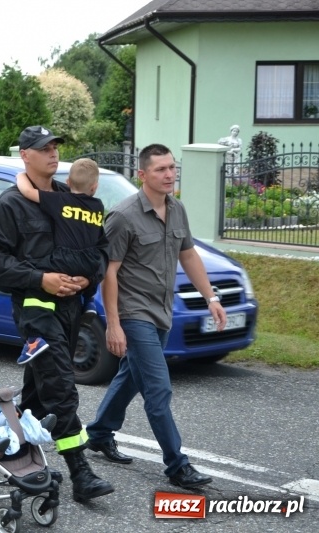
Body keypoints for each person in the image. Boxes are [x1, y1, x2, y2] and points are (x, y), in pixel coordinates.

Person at [0, 125, 113, 503]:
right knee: (60, 385)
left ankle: (9, 453)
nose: (53, 153)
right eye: (44, 148)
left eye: (55, 146)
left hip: (73, 309)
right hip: (37, 311)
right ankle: (81, 473)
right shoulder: (10, 204)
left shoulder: (72, 199)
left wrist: (88, 276)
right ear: (25, 154)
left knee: (39, 397)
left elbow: (100, 248)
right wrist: (43, 279)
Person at [86, 143, 227, 489]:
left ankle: (100, 433)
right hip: (134, 314)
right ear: (143, 174)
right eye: (161, 169)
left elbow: (189, 256)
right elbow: (110, 272)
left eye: (172, 168)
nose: (169, 174)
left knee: (132, 377)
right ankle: (178, 466)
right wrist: (114, 325)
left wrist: (211, 297)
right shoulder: (123, 216)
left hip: (162, 310)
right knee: (158, 390)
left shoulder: (176, 209)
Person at [13, 158, 107, 365]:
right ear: (95, 187)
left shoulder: (60, 200)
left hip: (64, 258)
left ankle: (33, 339)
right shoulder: (98, 207)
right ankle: (89, 302)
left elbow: (28, 192)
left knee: (37, 280)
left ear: (68, 182)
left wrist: (20, 176)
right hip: (89, 261)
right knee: (88, 275)